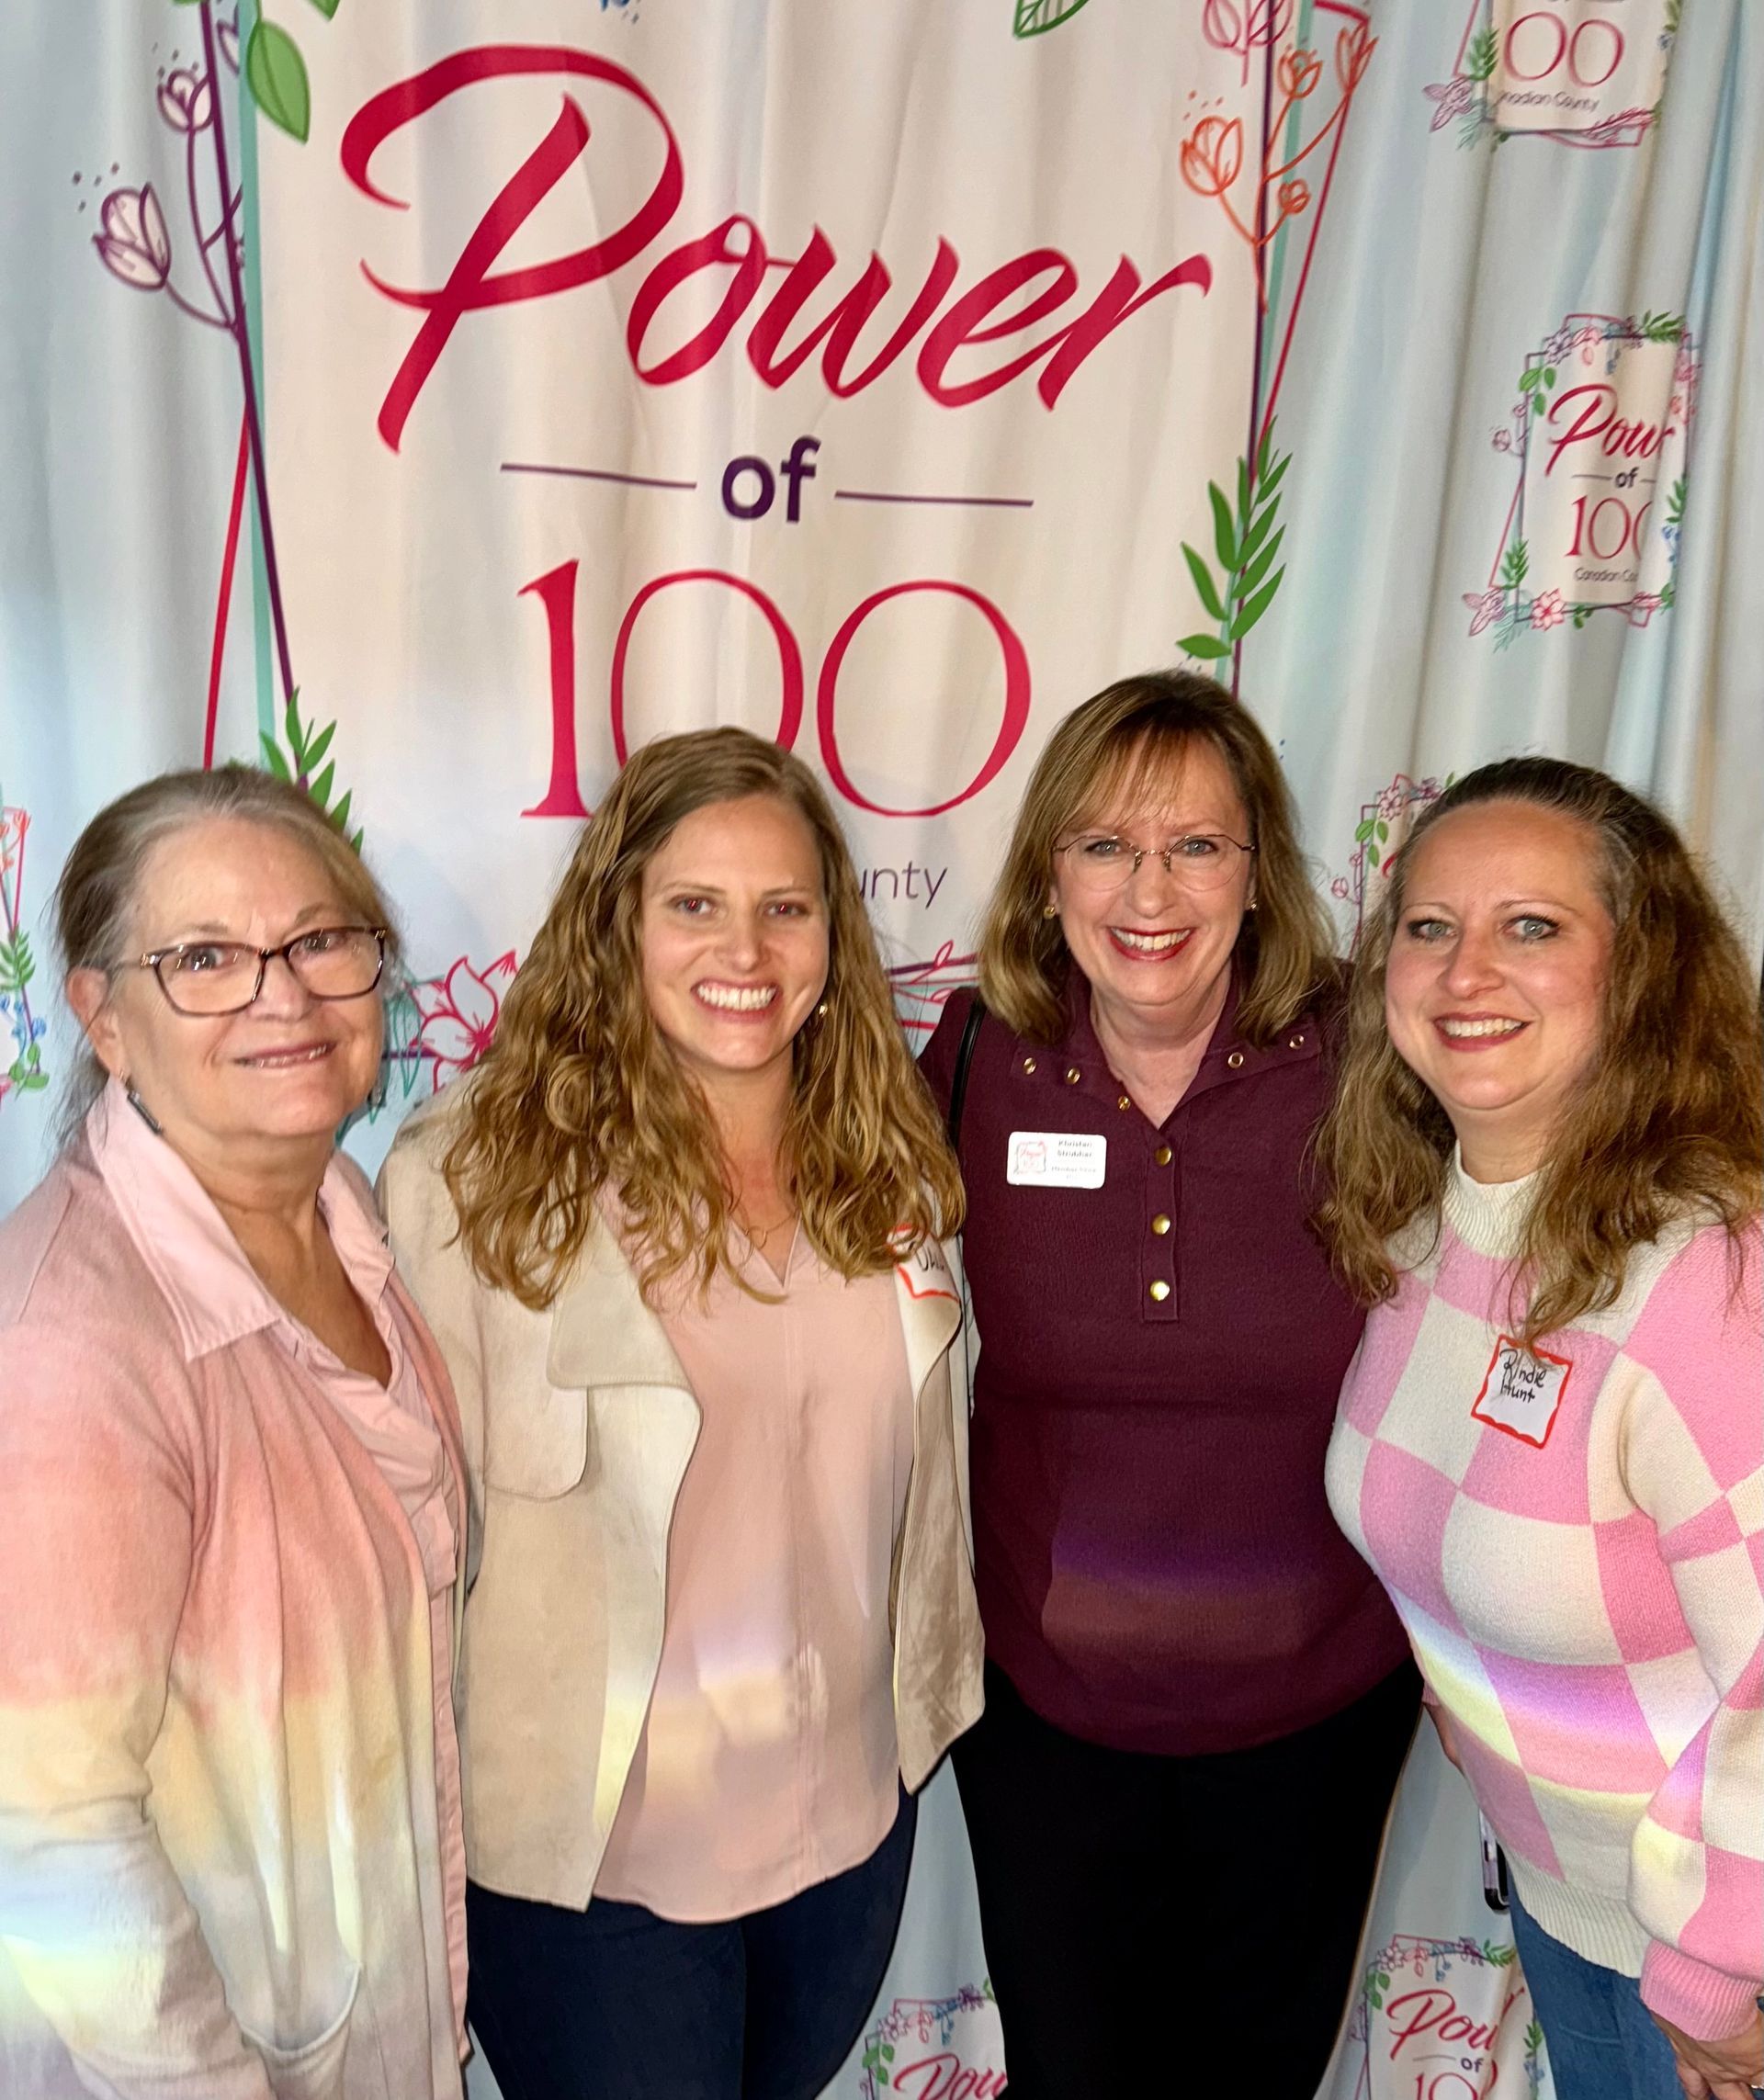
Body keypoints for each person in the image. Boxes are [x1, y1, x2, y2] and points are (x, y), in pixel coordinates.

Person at [379, 727, 979, 2100]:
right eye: (695, 905)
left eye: (786, 906)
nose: (747, 950)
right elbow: (407, 1546)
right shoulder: (467, 1186)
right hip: (598, 1869)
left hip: (844, 1826)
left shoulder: (889, 1159)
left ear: (835, 928)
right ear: (618, 923)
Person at [917, 670, 1419, 2098]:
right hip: (1042, 1722)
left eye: (1196, 844)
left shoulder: (1370, 1064)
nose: (1151, 887)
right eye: (1105, 843)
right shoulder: (974, 1060)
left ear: (1260, 871)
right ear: (1049, 870)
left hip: (1315, 1717)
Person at [0, 767, 469, 2099]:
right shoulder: (67, 1344)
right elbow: (48, 1837)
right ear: (102, 1016)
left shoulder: (352, 1218)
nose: (285, 994)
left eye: (321, 939)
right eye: (205, 956)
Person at [1318, 758, 1763, 2100]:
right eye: (1430, 925)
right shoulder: (1424, 1234)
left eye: (1533, 926)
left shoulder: (1709, 1280)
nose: (1466, 970)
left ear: (1641, 973)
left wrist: (1713, 1967)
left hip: (1704, 1959)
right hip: (1579, 1911)